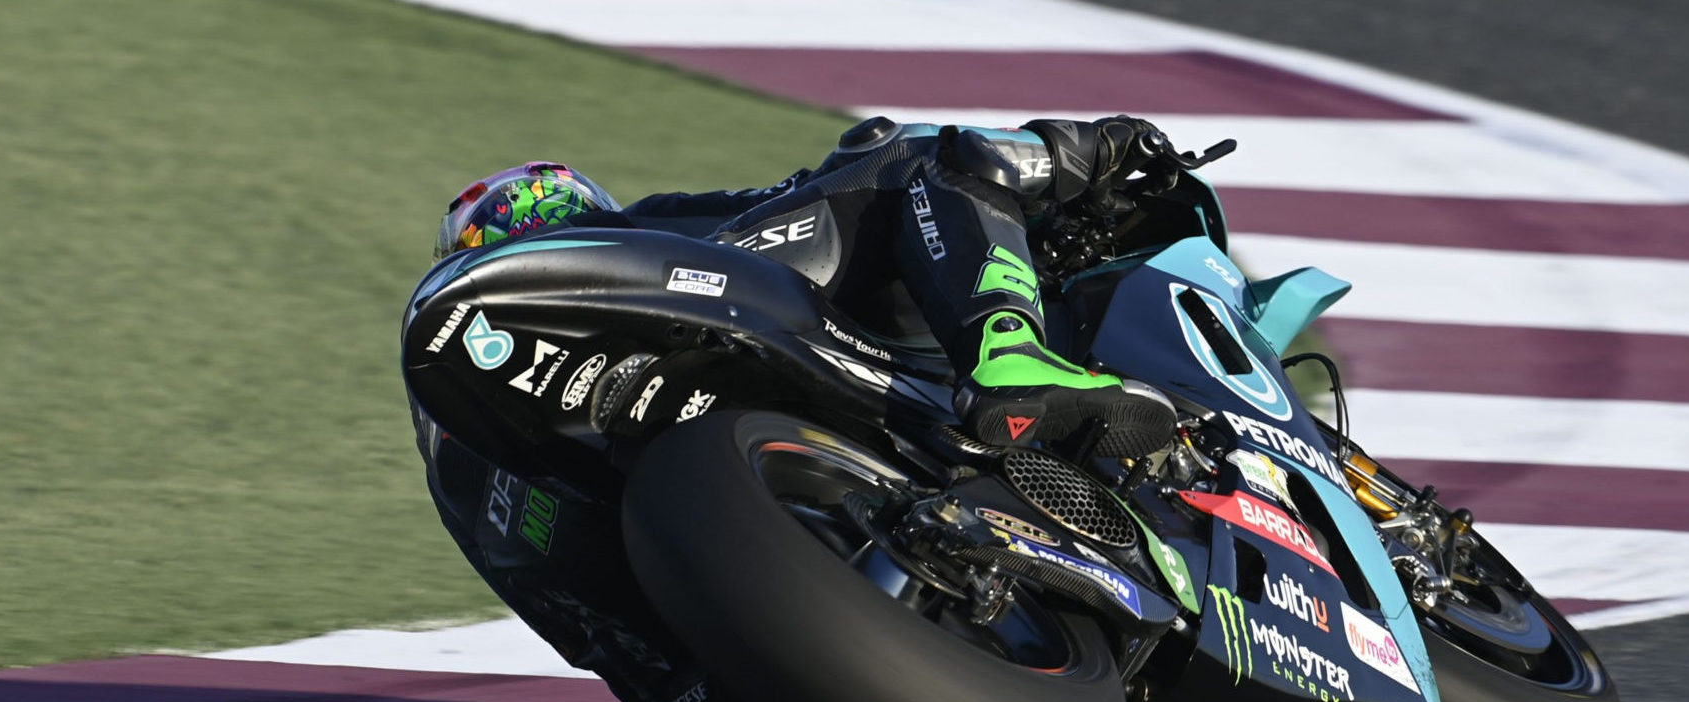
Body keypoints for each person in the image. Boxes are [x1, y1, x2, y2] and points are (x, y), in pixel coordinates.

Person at [432, 115, 1179, 456]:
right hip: (729, 309)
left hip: (736, 346)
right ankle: (1004, 347)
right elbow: (817, 183)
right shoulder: (640, 228)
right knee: (913, 155)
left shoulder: (473, 448)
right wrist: (1077, 150)